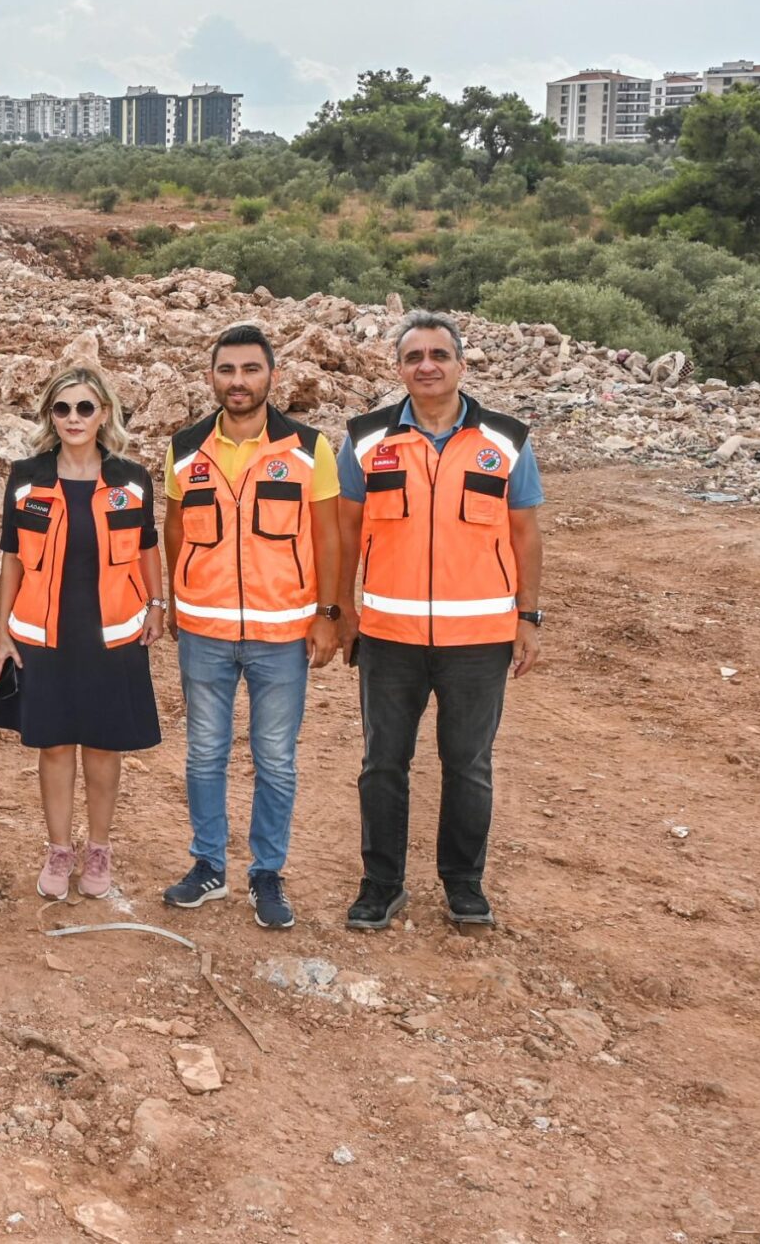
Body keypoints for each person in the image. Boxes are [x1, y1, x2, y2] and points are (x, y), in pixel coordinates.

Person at [333, 311, 544, 931]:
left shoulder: (506, 440)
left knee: (468, 764)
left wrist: (527, 616)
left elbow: (525, 531)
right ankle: (381, 884)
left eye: (439, 355)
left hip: (478, 640)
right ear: (398, 368)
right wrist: (343, 610)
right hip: (388, 637)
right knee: (382, 763)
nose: (426, 366)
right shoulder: (366, 439)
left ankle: (464, 885)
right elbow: (346, 530)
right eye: (413, 356)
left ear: (460, 364)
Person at [156, 324, 344, 930]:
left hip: (284, 634)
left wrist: (328, 615)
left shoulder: (309, 448)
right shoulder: (185, 449)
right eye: (227, 370)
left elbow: (329, 536)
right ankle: (208, 866)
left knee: (275, 759)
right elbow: (176, 529)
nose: (238, 382)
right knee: (204, 754)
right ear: (212, 377)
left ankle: (267, 874)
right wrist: (180, 601)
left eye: (250, 370)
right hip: (205, 632)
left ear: (272, 376)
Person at [0, 365, 164, 902]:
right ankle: (59, 850)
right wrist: (2, 634)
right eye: (61, 409)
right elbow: (12, 559)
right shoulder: (26, 477)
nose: (73, 418)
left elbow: (148, 545)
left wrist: (157, 604)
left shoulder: (131, 479)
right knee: (56, 746)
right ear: (49, 416)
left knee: (105, 747)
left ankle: (100, 849)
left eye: (85, 407)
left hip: (113, 634)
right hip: (44, 634)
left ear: (104, 413)